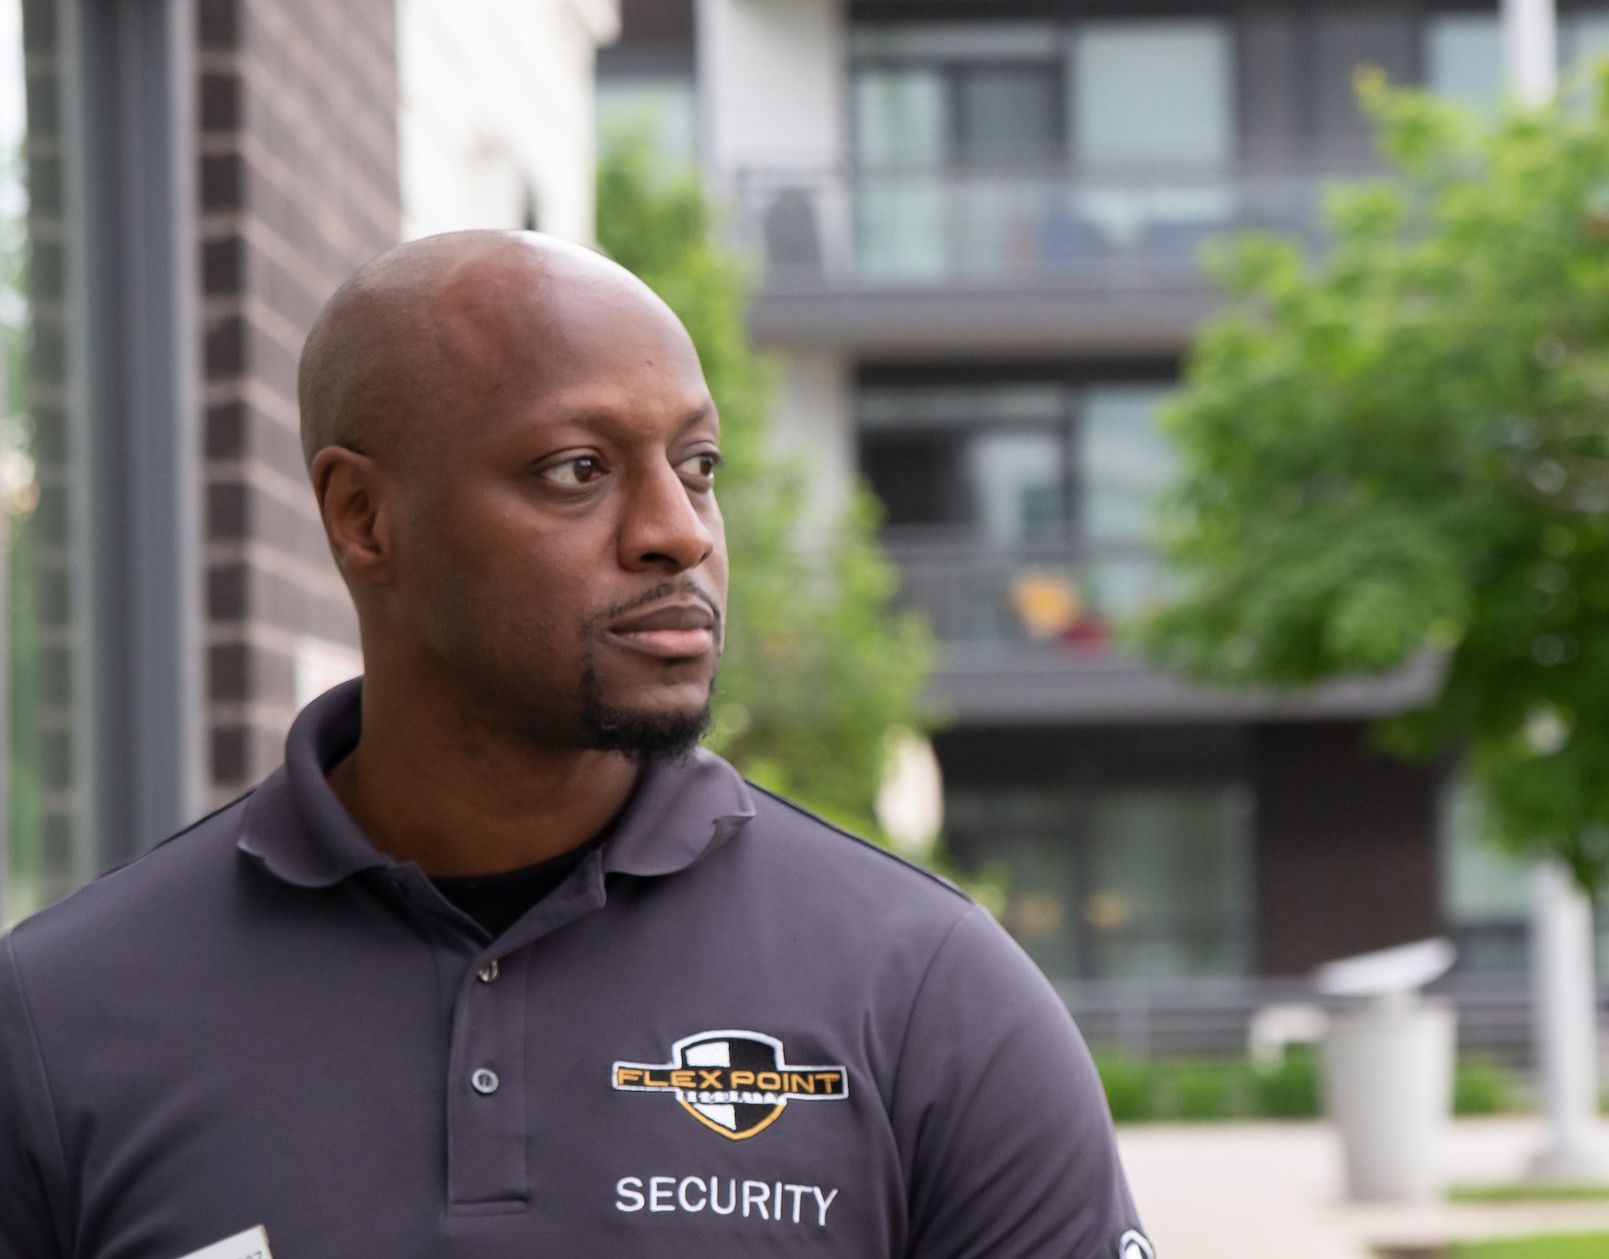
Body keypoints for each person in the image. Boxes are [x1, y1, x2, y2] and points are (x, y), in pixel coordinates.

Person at [0, 231, 1151, 1258]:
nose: (677, 531)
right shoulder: (56, 1017)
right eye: (577, 470)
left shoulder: (930, 994)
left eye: (698, 466)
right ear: (364, 518)